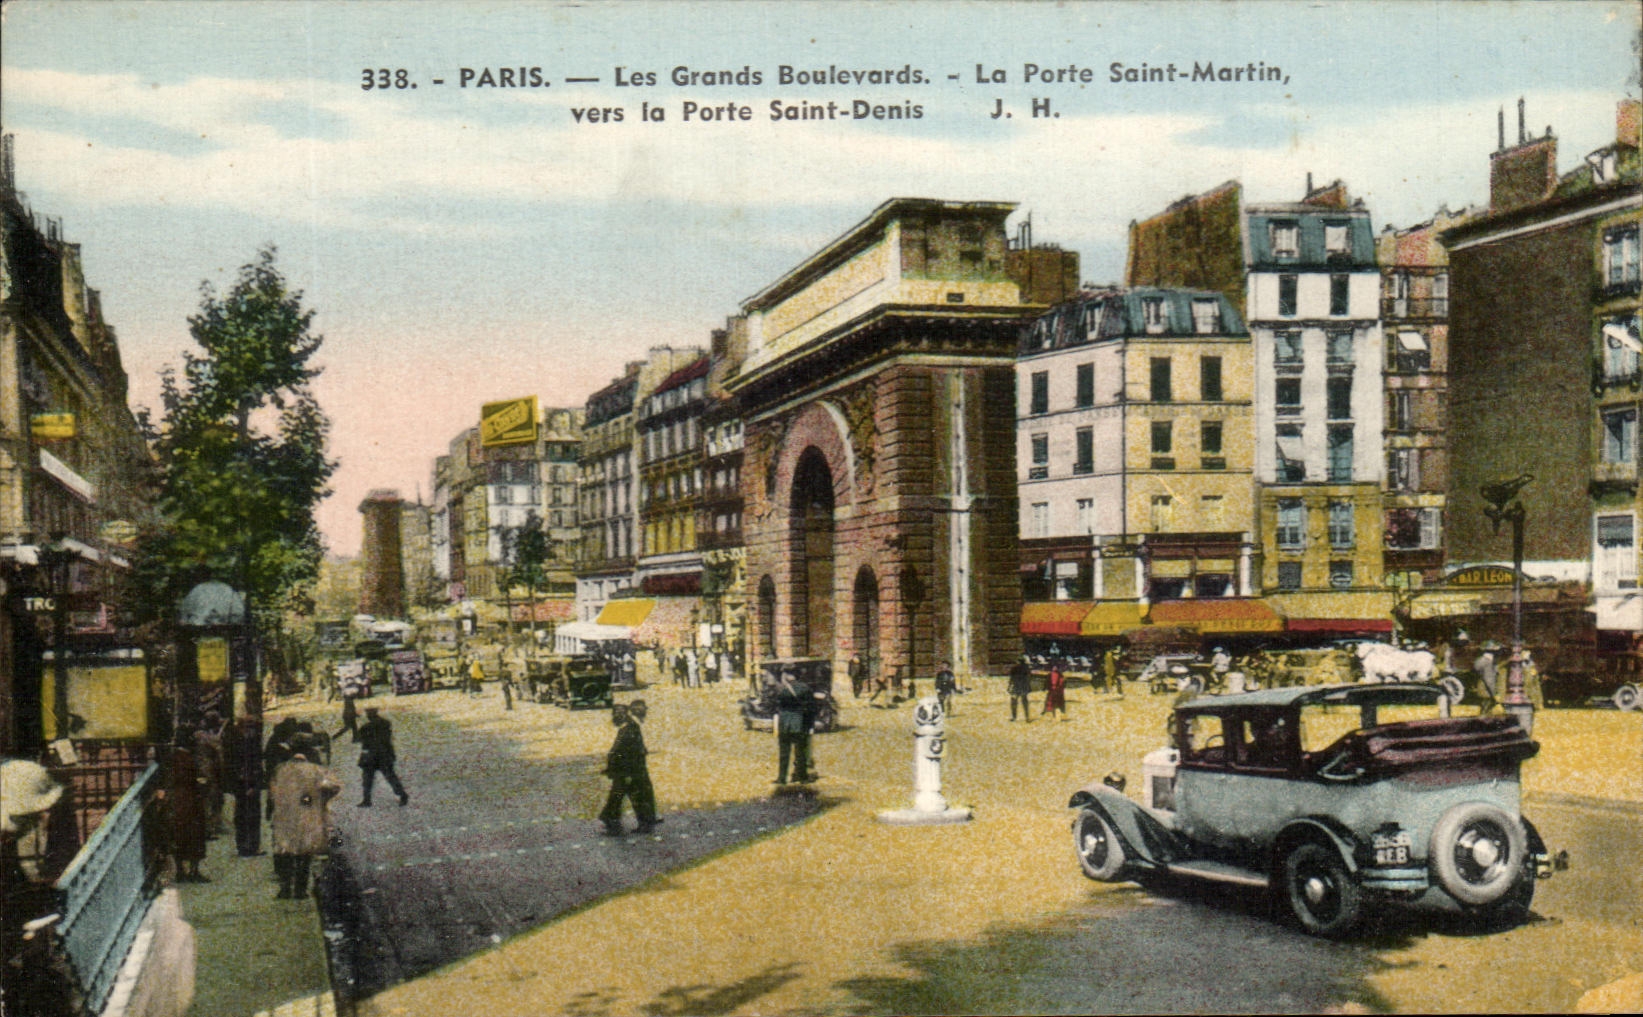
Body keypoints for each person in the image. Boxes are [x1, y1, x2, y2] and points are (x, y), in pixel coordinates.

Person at [268, 747, 340, 899]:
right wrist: (322, 799)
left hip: (284, 817)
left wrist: (271, 810)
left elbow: (272, 792)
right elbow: (333, 786)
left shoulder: (280, 770)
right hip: (308, 815)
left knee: (284, 851)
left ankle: (285, 887)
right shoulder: (316, 770)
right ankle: (300, 890)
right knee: (304, 852)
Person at [599, 701, 660, 835]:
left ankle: (615, 824)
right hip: (630, 769)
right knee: (630, 796)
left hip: (628, 770)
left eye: (618, 714)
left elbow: (622, 751)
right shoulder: (630, 727)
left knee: (626, 797)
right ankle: (644, 822)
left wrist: (618, 769)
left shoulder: (629, 729)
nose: (615, 716)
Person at [166, 728, 209, 882]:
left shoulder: (171, 758)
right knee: (195, 835)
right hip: (192, 800)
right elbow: (199, 779)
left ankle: (180, 871)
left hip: (176, 802)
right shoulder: (191, 758)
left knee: (178, 835)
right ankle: (194, 870)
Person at [356, 707, 409, 807]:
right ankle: (402, 795)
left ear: (369, 715)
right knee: (391, 777)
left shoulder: (365, 727)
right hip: (385, 754)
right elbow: (388, 740)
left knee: (367, 779)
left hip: (371, 756)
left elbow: (361, 741)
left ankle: (366, 800)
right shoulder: (386, 723)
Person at [774, 670, 818, 784]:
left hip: (784, 724)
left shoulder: (781, 689)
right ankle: (802, 776)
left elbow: (774, 707)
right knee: (801, 752)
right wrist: (810, 725)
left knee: (784, 753)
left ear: (787, 676)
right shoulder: (805, 688)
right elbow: (812, 708)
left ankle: (782, 778)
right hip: (800, 723)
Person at [1008, 655, 1034, 722]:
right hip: (1023, 686)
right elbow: (1029, 678)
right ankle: (1027, 717)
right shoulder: (1026, 668)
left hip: (1016, 686)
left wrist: (1009, 686)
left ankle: (1014, 717)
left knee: (1014, 701)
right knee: (1024, 701)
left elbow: (1011, 678)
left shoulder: (1014, 668)